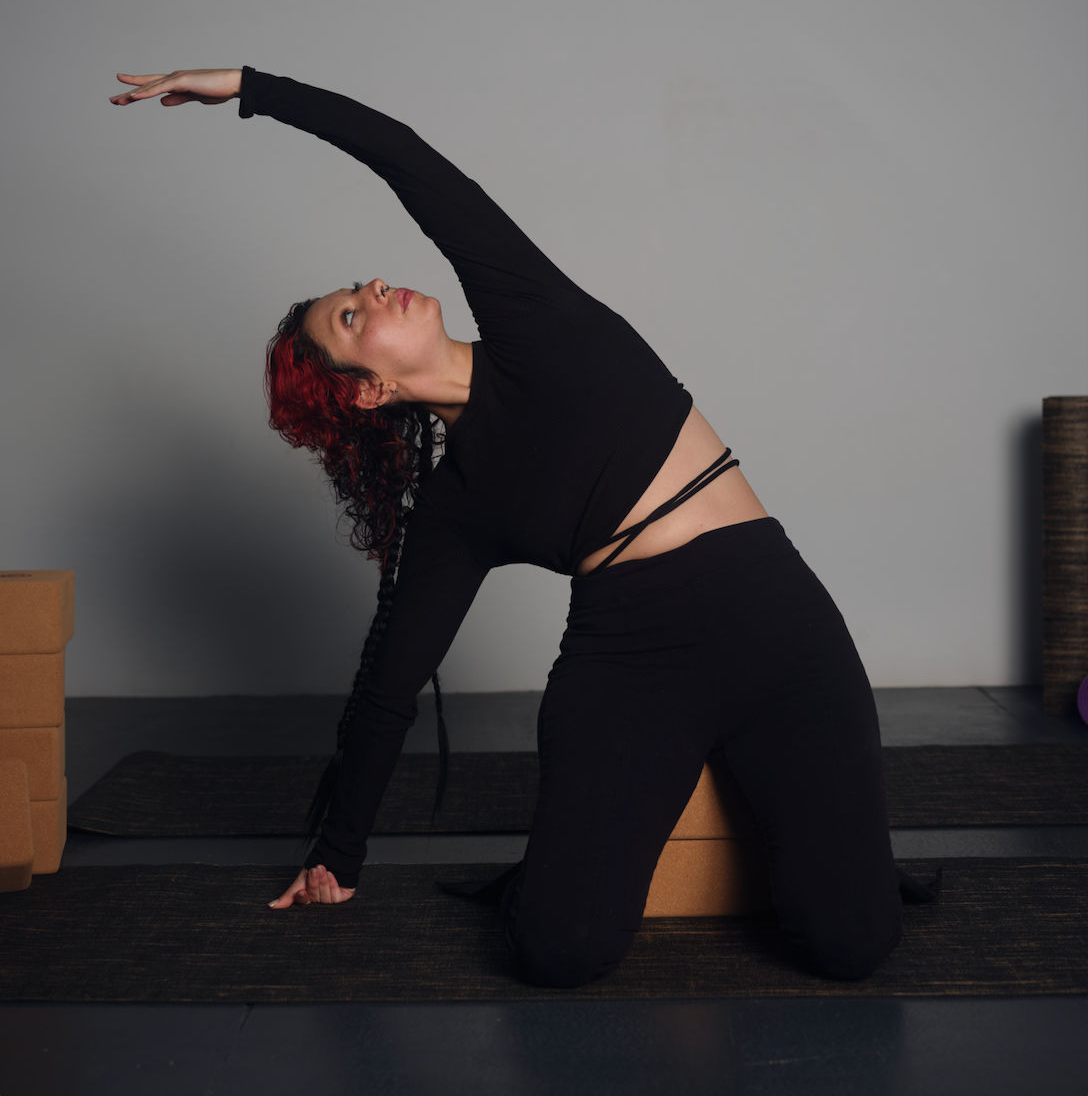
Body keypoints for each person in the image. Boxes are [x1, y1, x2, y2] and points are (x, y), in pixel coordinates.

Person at [110, 64, 926, 987]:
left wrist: (252, 88)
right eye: (351, 314)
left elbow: (406, 161)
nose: (375, 287)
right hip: (631, 658)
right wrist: (339, 853)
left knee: (855, 943)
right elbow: (390, 683)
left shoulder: (533, 313)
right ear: (367, 391)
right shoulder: (458, 509)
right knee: (559, 949)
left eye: (358, 286)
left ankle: (808, 830)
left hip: (775, 617)